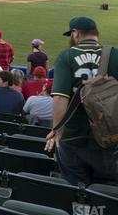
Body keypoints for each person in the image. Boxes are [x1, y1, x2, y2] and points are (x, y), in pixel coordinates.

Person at [46, 17, 118, 185]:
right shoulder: (115, 55)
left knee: (76, 192)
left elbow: (60, 97)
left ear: (76, 33)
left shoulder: (67, 56)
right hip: (109, 138)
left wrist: (57, 130)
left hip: (74, 137)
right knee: (107, 192)